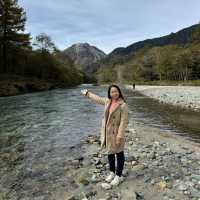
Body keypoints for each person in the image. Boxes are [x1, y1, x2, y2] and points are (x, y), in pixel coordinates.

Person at [81, 84, 129, 186]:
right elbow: (98, 99)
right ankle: (112, 172)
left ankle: (118, 176)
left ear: (119, 92)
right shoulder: (108, 101)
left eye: (116, 91)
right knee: (110, 153)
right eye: (112, 92)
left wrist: (120, 135)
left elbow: (124, 122)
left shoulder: (123, 105)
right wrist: (88, 94)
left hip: (116, 133)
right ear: (109, 93)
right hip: (107, 132)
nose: (114, 93)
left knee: (119, 153)